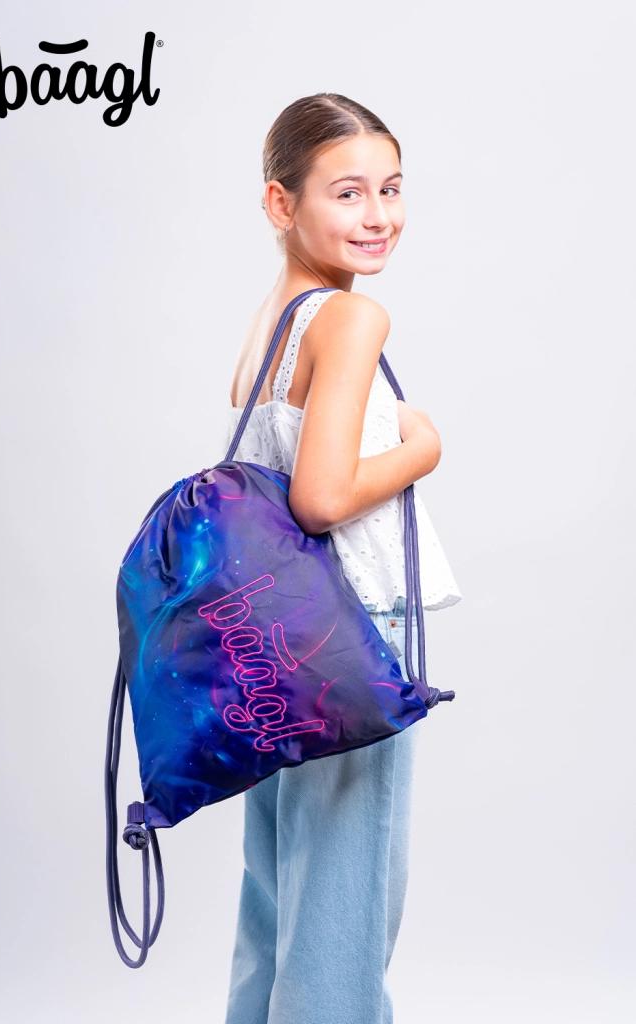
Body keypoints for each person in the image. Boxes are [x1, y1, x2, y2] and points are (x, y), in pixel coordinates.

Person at [222, 93, 461, 1024]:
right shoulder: (351, 322)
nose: (378, 215)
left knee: (279, 885)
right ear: (280, 204)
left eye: (390, 189)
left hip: (276, 635)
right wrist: (421, 448)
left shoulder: (271, 323)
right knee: (344, 901)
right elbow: (320, 500)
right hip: (351, 631)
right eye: (348, 192)